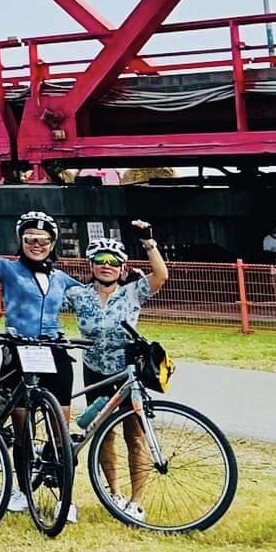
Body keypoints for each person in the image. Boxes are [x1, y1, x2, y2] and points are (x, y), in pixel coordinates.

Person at [0, 197, 79, 519]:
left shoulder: (60, 278)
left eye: (43, 241)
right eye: (30, 239)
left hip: (54, 351)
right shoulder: (9, 269)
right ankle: (21, 489)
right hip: (20, 351)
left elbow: (87, 295)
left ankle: (65, 499)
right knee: (22, 429)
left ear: (52, 243)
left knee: (60, 431)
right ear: (22, 242)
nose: (37, 245)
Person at [67, 220, 169, 523]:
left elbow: (161, 276)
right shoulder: (78, 294)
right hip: (95, 370)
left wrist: (148, 242)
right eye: (100, 260)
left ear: (123, 267)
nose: (107, 266)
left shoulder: (132, 292)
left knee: (135, 436)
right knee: (103, 433)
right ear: (91, 265)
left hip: (128, 372)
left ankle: (137, 501)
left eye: (113, 262)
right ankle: (113, 491)